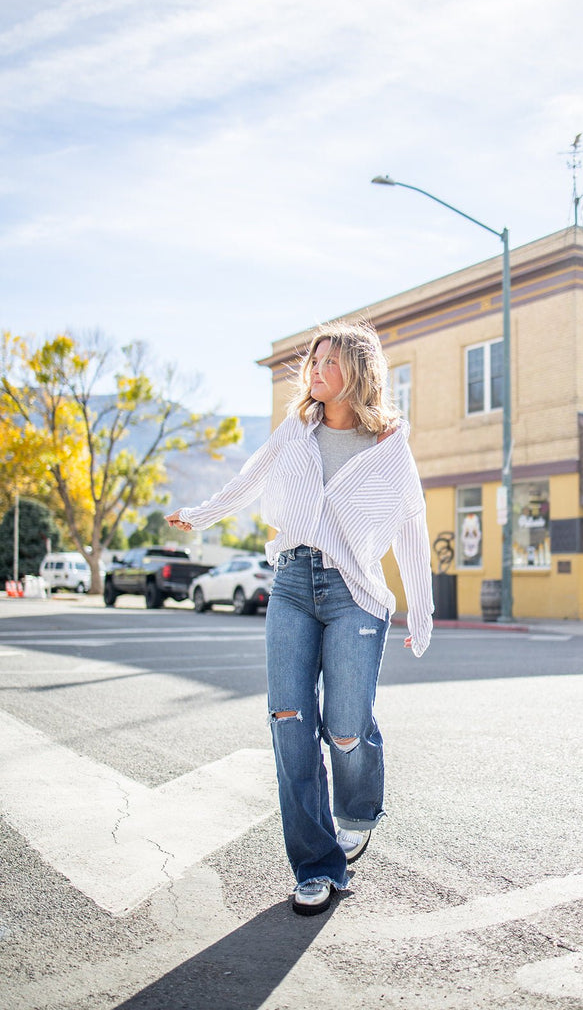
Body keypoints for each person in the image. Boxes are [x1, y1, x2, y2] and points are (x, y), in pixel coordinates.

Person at [166, 319, 433, 915]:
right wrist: (202, 514)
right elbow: (249, 478)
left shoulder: (389, 448)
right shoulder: (296, 431)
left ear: (358, 373)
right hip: (289, 583)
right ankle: (315, 864)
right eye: (313, 361)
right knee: (289, 718)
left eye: (329, 363)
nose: (316, 371)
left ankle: (357, 809)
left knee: (345, 724)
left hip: (354, 593)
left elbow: (411, 526)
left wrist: (423, 607)